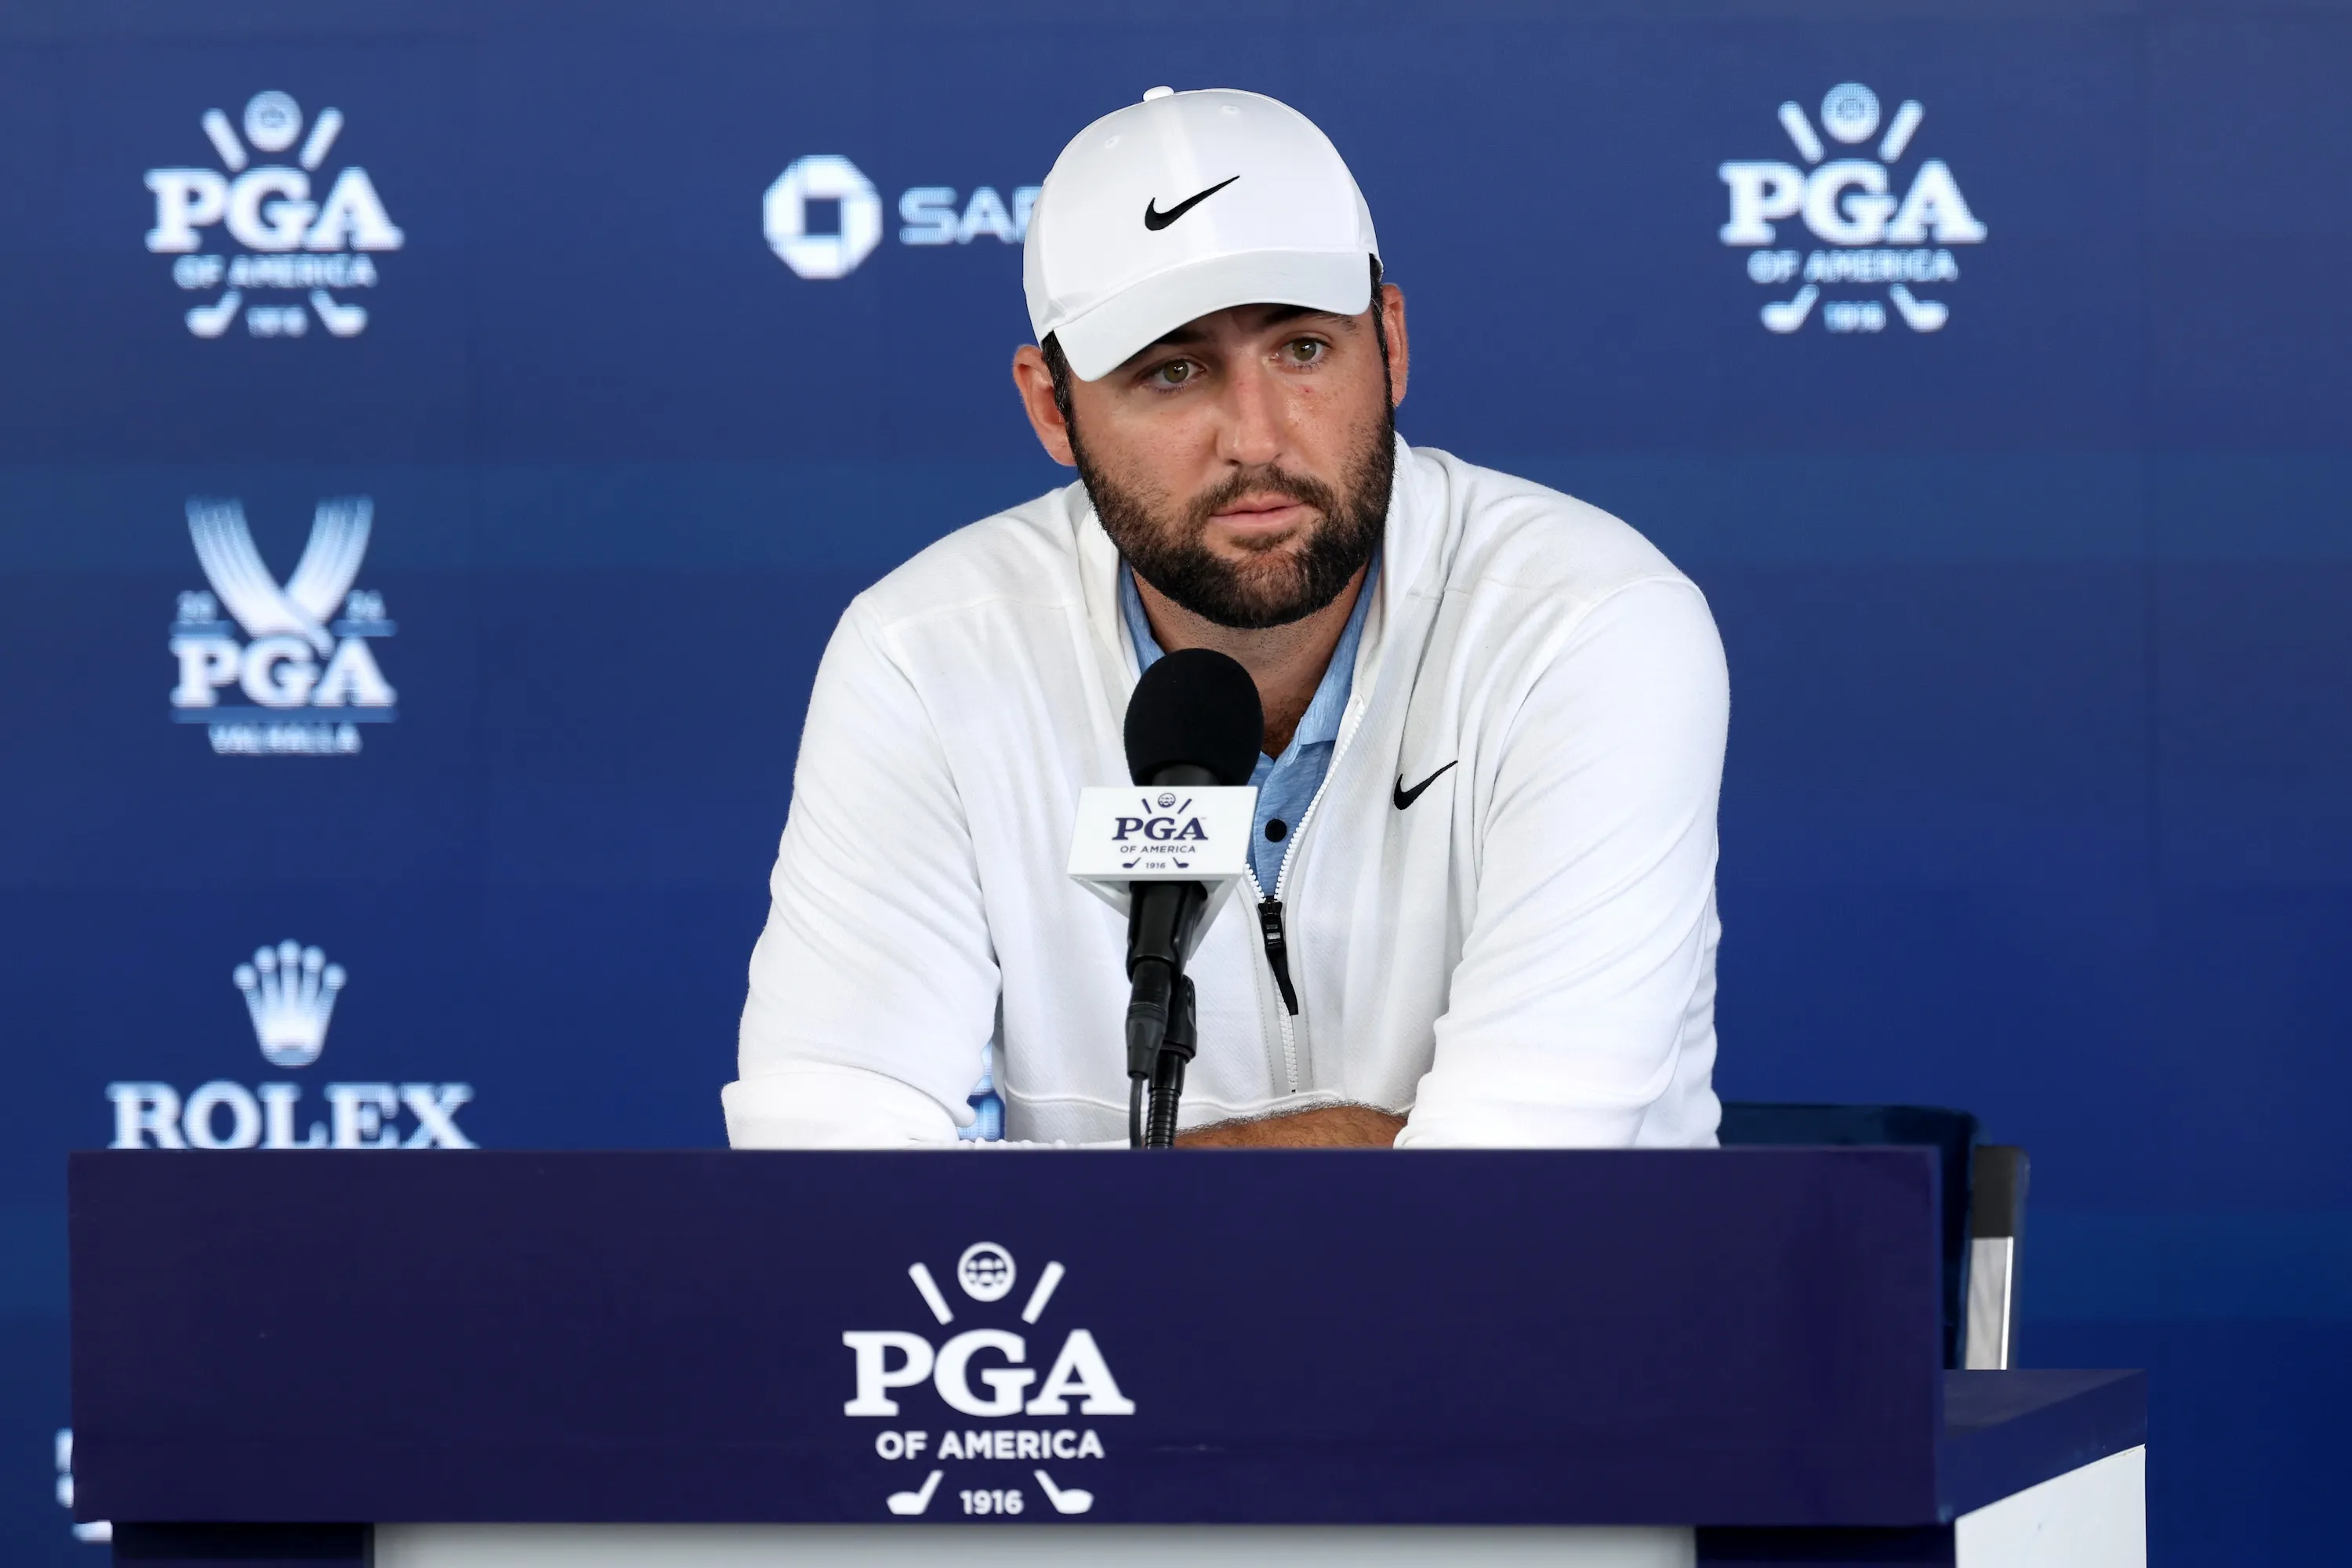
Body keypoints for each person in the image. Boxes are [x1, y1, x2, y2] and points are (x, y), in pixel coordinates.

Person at [724, 87, 1727, 1149]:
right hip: (1107, 1323)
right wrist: (1359, 1148)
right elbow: (823, 1158)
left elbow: (1518, 1175)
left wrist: (1067, 1203)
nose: (1255, 437)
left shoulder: (1586, 622)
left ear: (1388, 345)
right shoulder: (926, 656)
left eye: (1301, 349)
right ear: (1051, 408)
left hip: (1544, 1319)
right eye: (1174, 369)